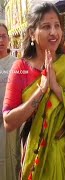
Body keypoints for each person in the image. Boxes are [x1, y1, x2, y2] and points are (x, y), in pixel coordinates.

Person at [2, 2, 65, 180]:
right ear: (32, 32)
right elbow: (9, 122)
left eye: (57, 26)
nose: (54, 32)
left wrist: (58, 89)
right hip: (37, 158)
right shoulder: (20, 68)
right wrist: (42, 89)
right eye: (46, 26)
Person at [0, 23, 19, 180]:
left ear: (8, 39)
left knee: (11, 160)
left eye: (3, 36)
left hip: (12, 124)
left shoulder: (17, 64)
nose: (0, 40)